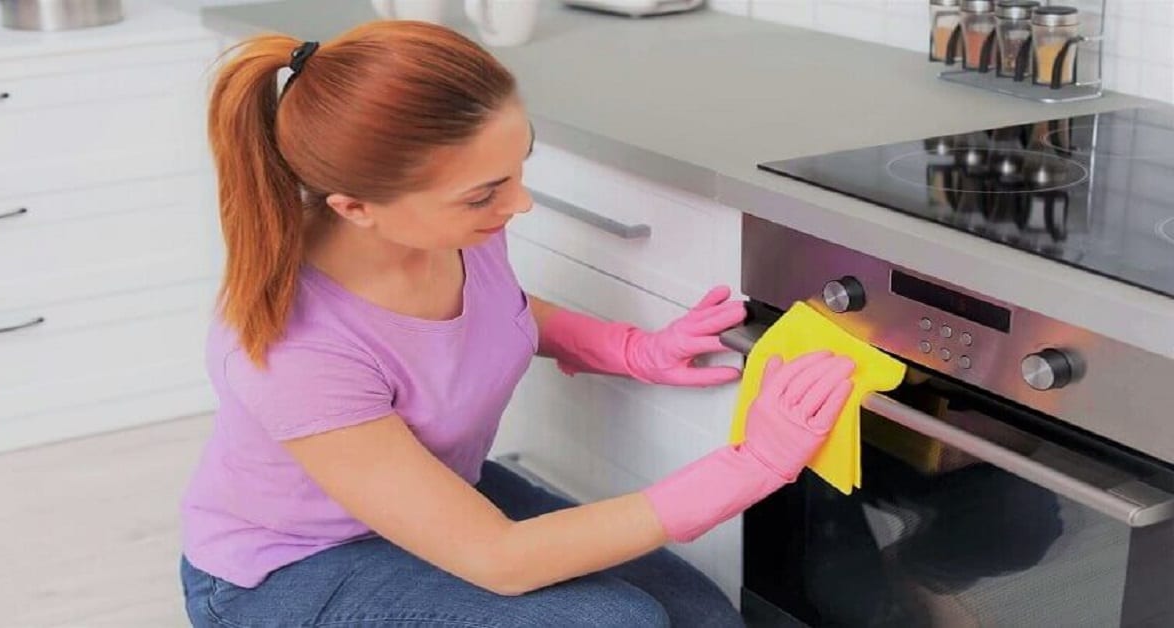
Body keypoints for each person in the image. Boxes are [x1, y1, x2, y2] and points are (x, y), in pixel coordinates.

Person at [179, 20, 855, 628]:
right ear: (357, 209)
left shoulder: (451, 229)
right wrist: (755, 464)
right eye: (486, 193)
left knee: (699, 618)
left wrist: (632, 349)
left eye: (517, 166)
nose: (520, 202)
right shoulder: (299, 351)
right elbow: (501, 558)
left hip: (442, 498)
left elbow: (493, 310)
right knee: (615, 624)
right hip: (290, 573)